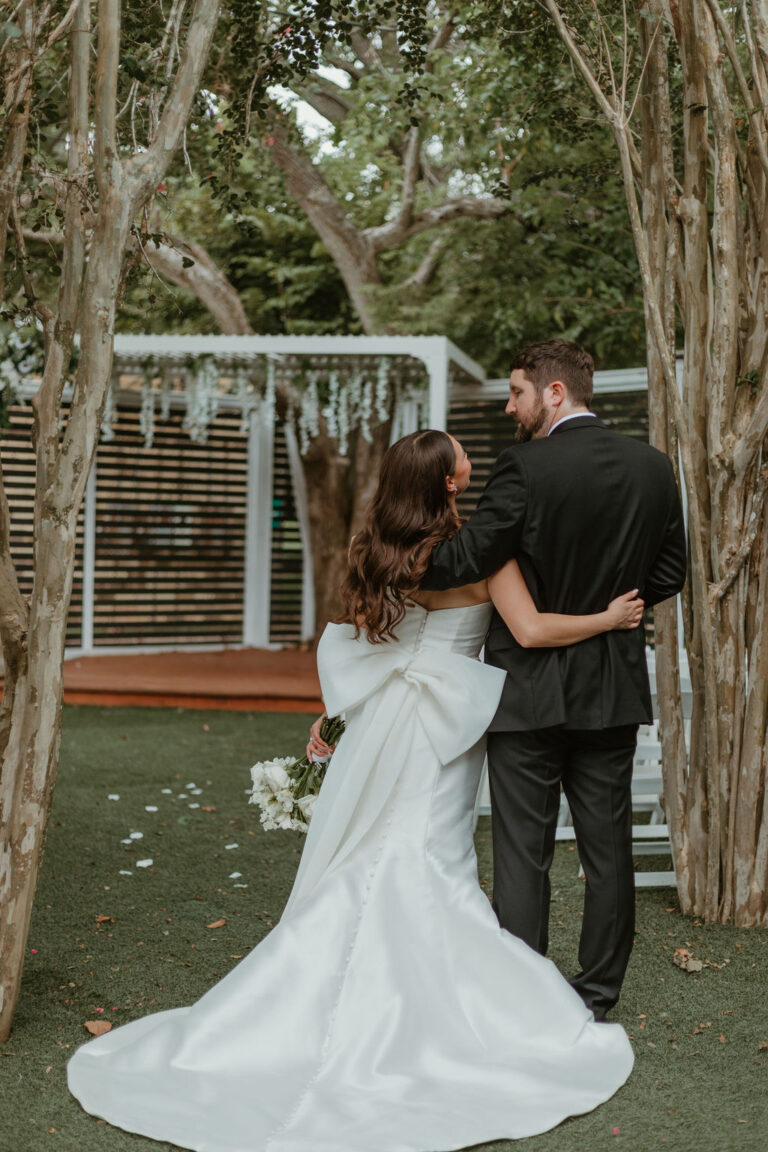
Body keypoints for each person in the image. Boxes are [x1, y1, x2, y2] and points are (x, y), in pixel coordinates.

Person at [68, 425, 639, 1152]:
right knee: (433, 861)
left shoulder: (382, 551)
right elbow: (526, 631)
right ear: (451, 484)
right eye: (464, 457)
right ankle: (432, 1020)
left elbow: (371, 644)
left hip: (383, 726)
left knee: (369, 855)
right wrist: (609, 617)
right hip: (439, 734)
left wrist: (336, 719)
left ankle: (323, 1002)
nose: (473, 458)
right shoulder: (477, 553)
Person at [419, 338, 687, 1022]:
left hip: (528, 690)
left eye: (517, 392)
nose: (512, 406)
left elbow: (476, 554)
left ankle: (523, 998)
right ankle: (595, 999)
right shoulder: (653, 468)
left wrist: (399, 561)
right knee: (609, 852)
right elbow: (670, 573)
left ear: (555, 392)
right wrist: (615, 611)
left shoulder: (524, 468)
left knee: (523, 856)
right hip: (611, 690)